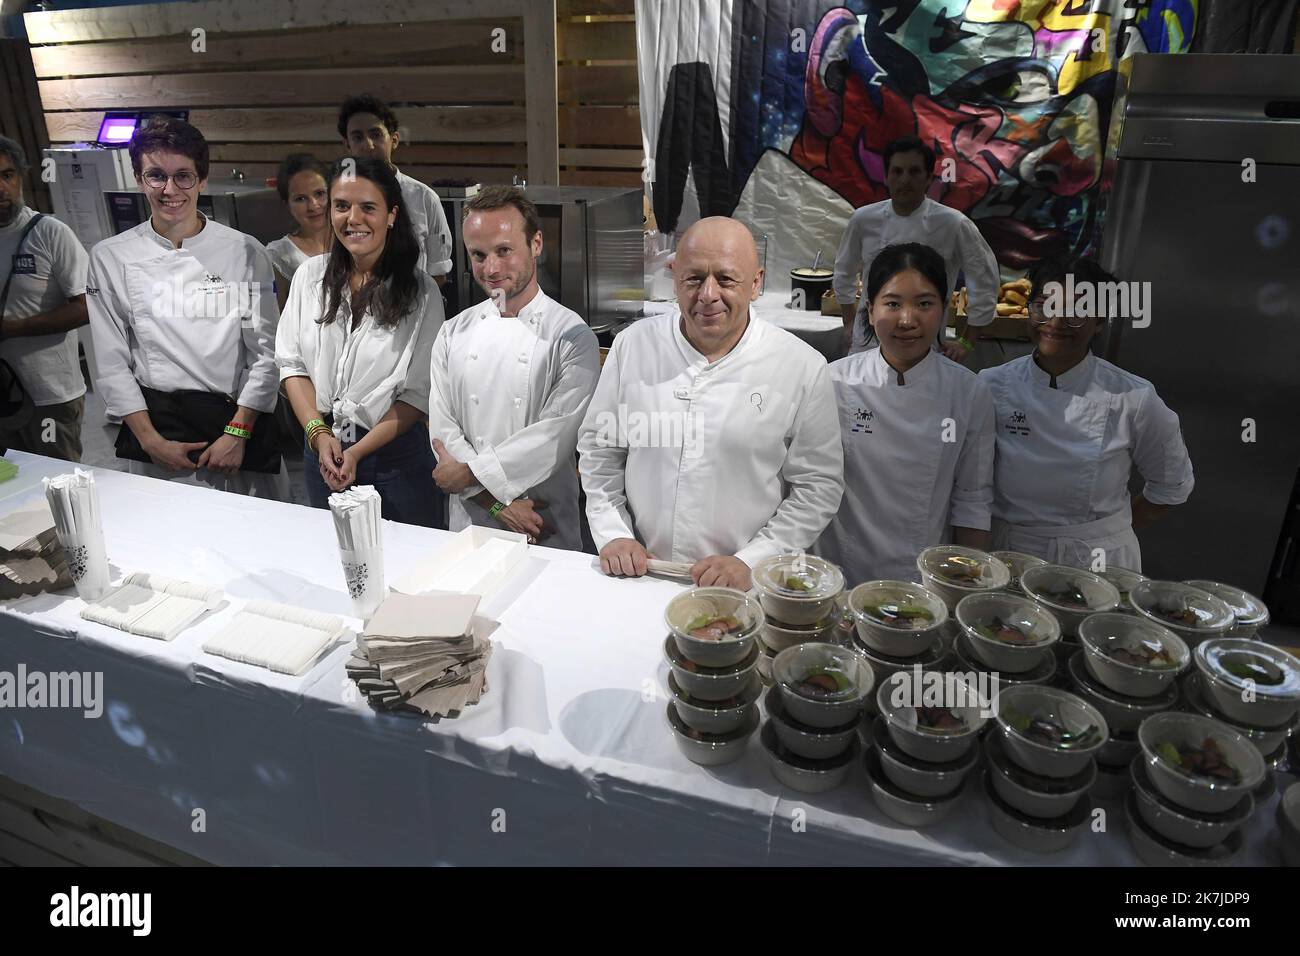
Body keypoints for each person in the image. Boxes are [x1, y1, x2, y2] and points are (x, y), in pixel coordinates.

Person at [577, 216, 843, 589]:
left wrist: (754, 561)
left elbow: (818, 486)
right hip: (639, 572)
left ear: (757, 283)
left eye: (727, 279)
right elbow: (599, 451)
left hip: (743, 585)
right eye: (694, 278)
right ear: (674, 277)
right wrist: (613, 533)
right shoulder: (633, 347)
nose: (708, 294)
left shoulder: (801, 366)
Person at [87, 116, 288, 498]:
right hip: (159, 431)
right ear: (138, 178)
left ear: (202, 179)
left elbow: (266, 354)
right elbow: (112, 365)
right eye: (155, 176)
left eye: (183, 176)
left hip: (234, 427)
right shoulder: (109, 257)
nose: (169, 189)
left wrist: (238, 432)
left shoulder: (244, 251)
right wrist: (150, 442)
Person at [978, 255, 1193, 571]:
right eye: (1044, 304)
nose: (1056, 321)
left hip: (1093, 561)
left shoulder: (1133, 398)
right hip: (1008, 553)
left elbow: (1171, 486)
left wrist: (1105, 534)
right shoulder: (991, 385)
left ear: (1101, 321)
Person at [276, 157, 445, 526]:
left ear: (391, 215)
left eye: (368, 207)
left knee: (409, 572)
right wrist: (319, 436)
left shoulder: (422, 292)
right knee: (332, 566)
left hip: (395, 461)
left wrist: (356, 452)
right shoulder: (309, 278)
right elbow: (292, 366)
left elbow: (417, 395)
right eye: (342, 206)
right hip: (322, 453)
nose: (353, 219)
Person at [428, 186, 599, 548]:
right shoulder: (451, 333)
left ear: (536, 244)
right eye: (478, 254)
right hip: (472, 522)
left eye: (504, 251)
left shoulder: (571, 336)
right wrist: (496, 505)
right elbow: (444, 434)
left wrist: (471, 476)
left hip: (542, 519)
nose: (491, 269)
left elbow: (553, 437)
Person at [815, 243, 994, 584]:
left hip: (923, 573)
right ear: (870, 311)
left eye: (924, 304)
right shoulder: (834, 381)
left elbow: (973, 496)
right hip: (839, 568)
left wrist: (967, 580)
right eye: (892, 304)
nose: (907, 320)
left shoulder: (968, 392)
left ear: (943, 310)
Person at [833, 135, 998, 363]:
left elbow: (984, 280)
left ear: (929, 177)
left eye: (914, 172)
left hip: (925, 343)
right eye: (897, 171)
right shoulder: (863, 219)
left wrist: (967, 341)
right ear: (886, 176)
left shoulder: (953, 224)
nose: (905, 180)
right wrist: (849, 322)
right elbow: (844, 272)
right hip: (866, 343)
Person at [0, 134, 89, 461]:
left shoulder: (50, 232)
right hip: (2, 397)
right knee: (10, 491)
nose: (1, 188)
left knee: (57, 485)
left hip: (50, 395)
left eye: (7, 175)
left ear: (19, 177)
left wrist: (13, 328)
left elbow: (87, 305)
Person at [338, 94, 452, 287]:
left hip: (414, 305)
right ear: (347, 145)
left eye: (376, 135)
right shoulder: (339, 203)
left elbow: (438, 272)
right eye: (358, 137)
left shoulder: (424, 198)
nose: (368, 145)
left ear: (394, 139)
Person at [266, 153, 330, 310]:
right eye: (300, 199)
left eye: (319, 194)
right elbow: (276, 320)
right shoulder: (278, 255)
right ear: (287, 204)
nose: (314, 206)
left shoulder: (352, 239)